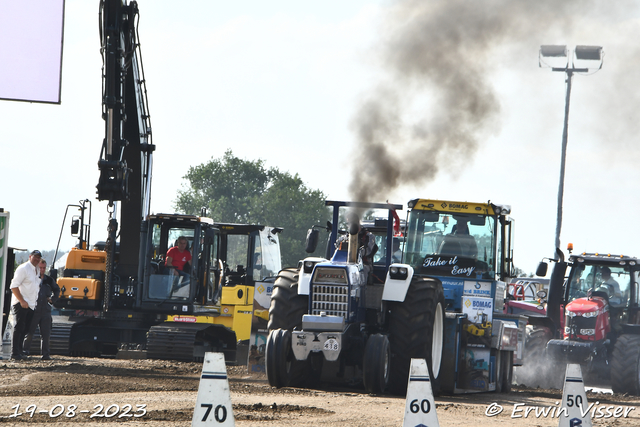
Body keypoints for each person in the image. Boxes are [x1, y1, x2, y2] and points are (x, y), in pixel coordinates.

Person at [23, 259, 60, 360]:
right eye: (40, 268)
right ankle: (25, 351)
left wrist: (53, 299)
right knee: (30, 332)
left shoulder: (49, 280)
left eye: (44, 268)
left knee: (46, 334)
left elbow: (57, 290)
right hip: (34, 310)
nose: (42, 270)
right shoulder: (32, 279)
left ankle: (45, 354)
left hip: (46, 311)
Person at [9, 250, 42, 360]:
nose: (37, 259)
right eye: (35, 257)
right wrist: (22, 301)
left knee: (26, 328)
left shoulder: (36, 270)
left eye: (39, 258)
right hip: (21, 303)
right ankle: (14, 353)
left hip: (31, 304)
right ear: (30, 256)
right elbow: (14, 286)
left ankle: (20, 351)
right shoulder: (24, 268)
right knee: (19, 327)